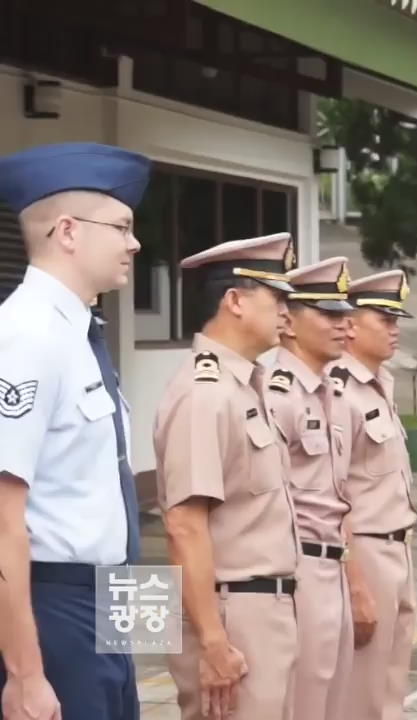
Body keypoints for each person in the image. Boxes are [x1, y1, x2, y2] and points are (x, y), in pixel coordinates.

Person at [0, 142, 149, 720]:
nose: (134, 243)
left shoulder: (84, 332)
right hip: (56, 603)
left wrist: (139, 645)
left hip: (115, 593)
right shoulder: (25, 335)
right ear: (68, 231)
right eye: (121, 226)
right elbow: (5, 519)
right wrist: (26, 675)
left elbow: (109, 497)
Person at [153, 232, 302, 720]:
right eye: (277, 297)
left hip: (261, 609)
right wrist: (214, 644)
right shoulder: (206, 393)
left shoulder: (244, 387)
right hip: (230, 614)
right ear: (234, 301)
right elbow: (183, 526)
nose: (287, 311)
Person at [266, 257, 371, 720]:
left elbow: (337, 499)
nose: (344, 326)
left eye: (346, 315)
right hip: (293, 570)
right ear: (288, 321)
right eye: (329, 315)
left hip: (332, 566)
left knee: (334, 704)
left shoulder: (332, 395)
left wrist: (353, 579)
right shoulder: (272, 393)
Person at [331, 270, 417, 720]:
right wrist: (356, 582)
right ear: (349, 324)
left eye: (395, 318)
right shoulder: (337, 392)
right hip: (365, 550)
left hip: (396, 547)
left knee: (388, 690)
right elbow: (335, 496)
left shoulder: (382, 384)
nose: (394, 327)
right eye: (382, 317)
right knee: (359, 696)